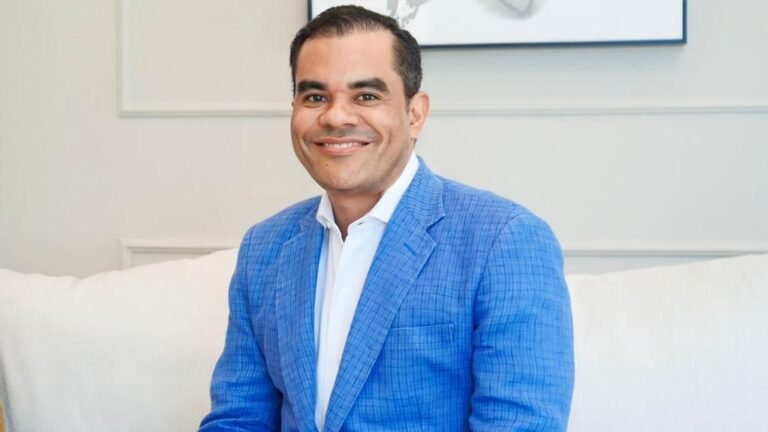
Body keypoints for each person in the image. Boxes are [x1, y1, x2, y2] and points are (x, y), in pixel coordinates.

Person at [199, 5, 574, 431]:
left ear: (415, 114)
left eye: (366, 96)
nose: (335, 116)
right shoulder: (264, 248)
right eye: (315, 97)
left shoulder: (505, 241)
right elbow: (237, 420)